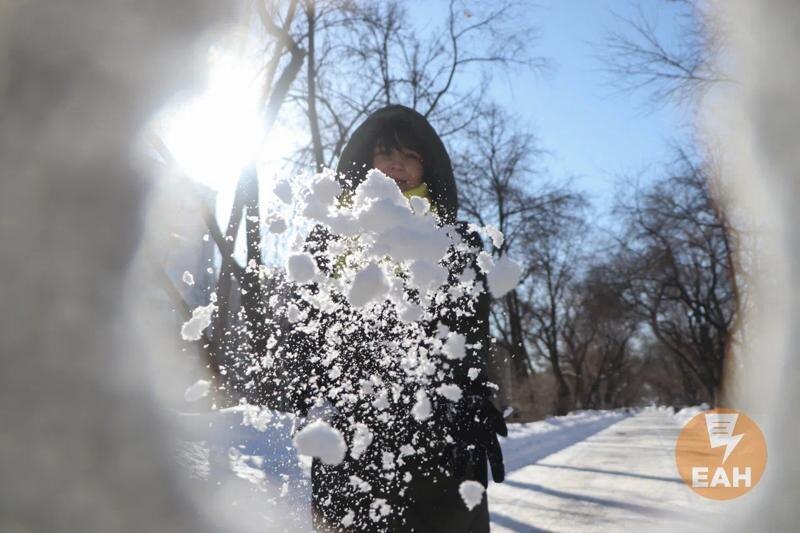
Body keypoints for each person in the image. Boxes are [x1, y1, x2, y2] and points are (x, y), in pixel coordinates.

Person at [279, 105, 506, 532]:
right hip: (353, 432)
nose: (397, 164)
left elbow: (472, 333)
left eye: (410, 155)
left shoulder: (455, 242)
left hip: (441, 432)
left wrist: (476, 397)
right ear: (367, 163)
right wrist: (310, 402)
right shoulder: (331, 238)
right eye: (385, 154)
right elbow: (304, 330)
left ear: (427, 166)